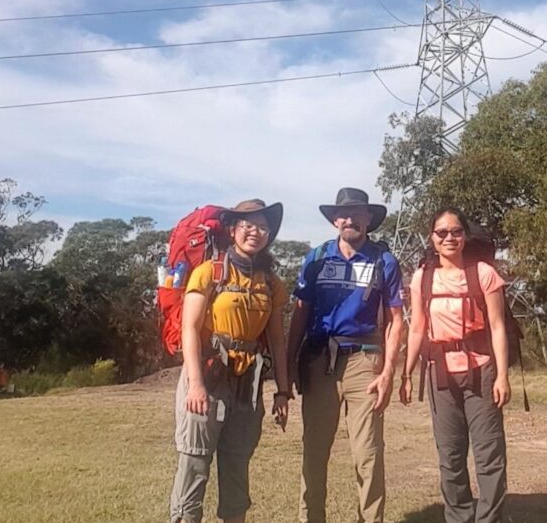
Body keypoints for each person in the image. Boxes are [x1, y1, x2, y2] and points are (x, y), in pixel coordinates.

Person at [287, 187, 404, 523]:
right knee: (314, 451)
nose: (350, 220)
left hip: (364, 361)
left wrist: (388, 372)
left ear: (369, 218)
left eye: (358, 213)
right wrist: (291, 362)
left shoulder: (384, 261)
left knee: (368, 454)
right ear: (335, 220)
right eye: (344, 214)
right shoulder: (316, 259)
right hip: (318, 360)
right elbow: (300, 313)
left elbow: (397, 320)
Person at [170, 199, 292, 523]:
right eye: (248, 225)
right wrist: (195, 385)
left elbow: (278, 341)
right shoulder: (210, 271)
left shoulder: (270, 282)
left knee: (237, 465)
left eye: (263, 226)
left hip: (246, 384)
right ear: (234, 230)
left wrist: (282, 391)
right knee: (194, 464)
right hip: (208, 378)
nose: (256, 232)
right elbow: (190, 330)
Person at [399, 207, 511, 523]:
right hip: (440, 372)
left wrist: (502, 375)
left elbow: (498, 326)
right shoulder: (422, 277)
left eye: (456, 231)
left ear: (465, 235)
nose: (450, 238)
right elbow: (417, 328)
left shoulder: (484, 273)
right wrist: (406, 373)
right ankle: (459, 517)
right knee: (450, 455)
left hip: (482, 369)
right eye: (442, 233)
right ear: (432, 238)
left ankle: (490, 519)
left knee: (489, 454)